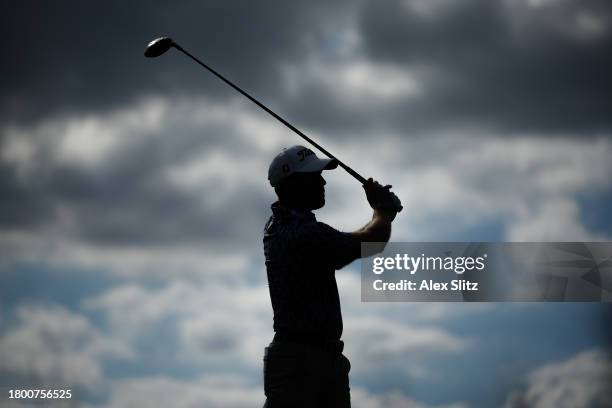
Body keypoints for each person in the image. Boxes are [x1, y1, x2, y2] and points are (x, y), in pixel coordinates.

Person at [262, 145, 401, 408]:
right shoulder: (300, 234)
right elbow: (372, 240)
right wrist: (382, 211)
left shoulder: (281, 226)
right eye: (314, 176)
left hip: (311, 359)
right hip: (303, 364)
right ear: (293, 185)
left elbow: (351, 239)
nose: (323, 181)